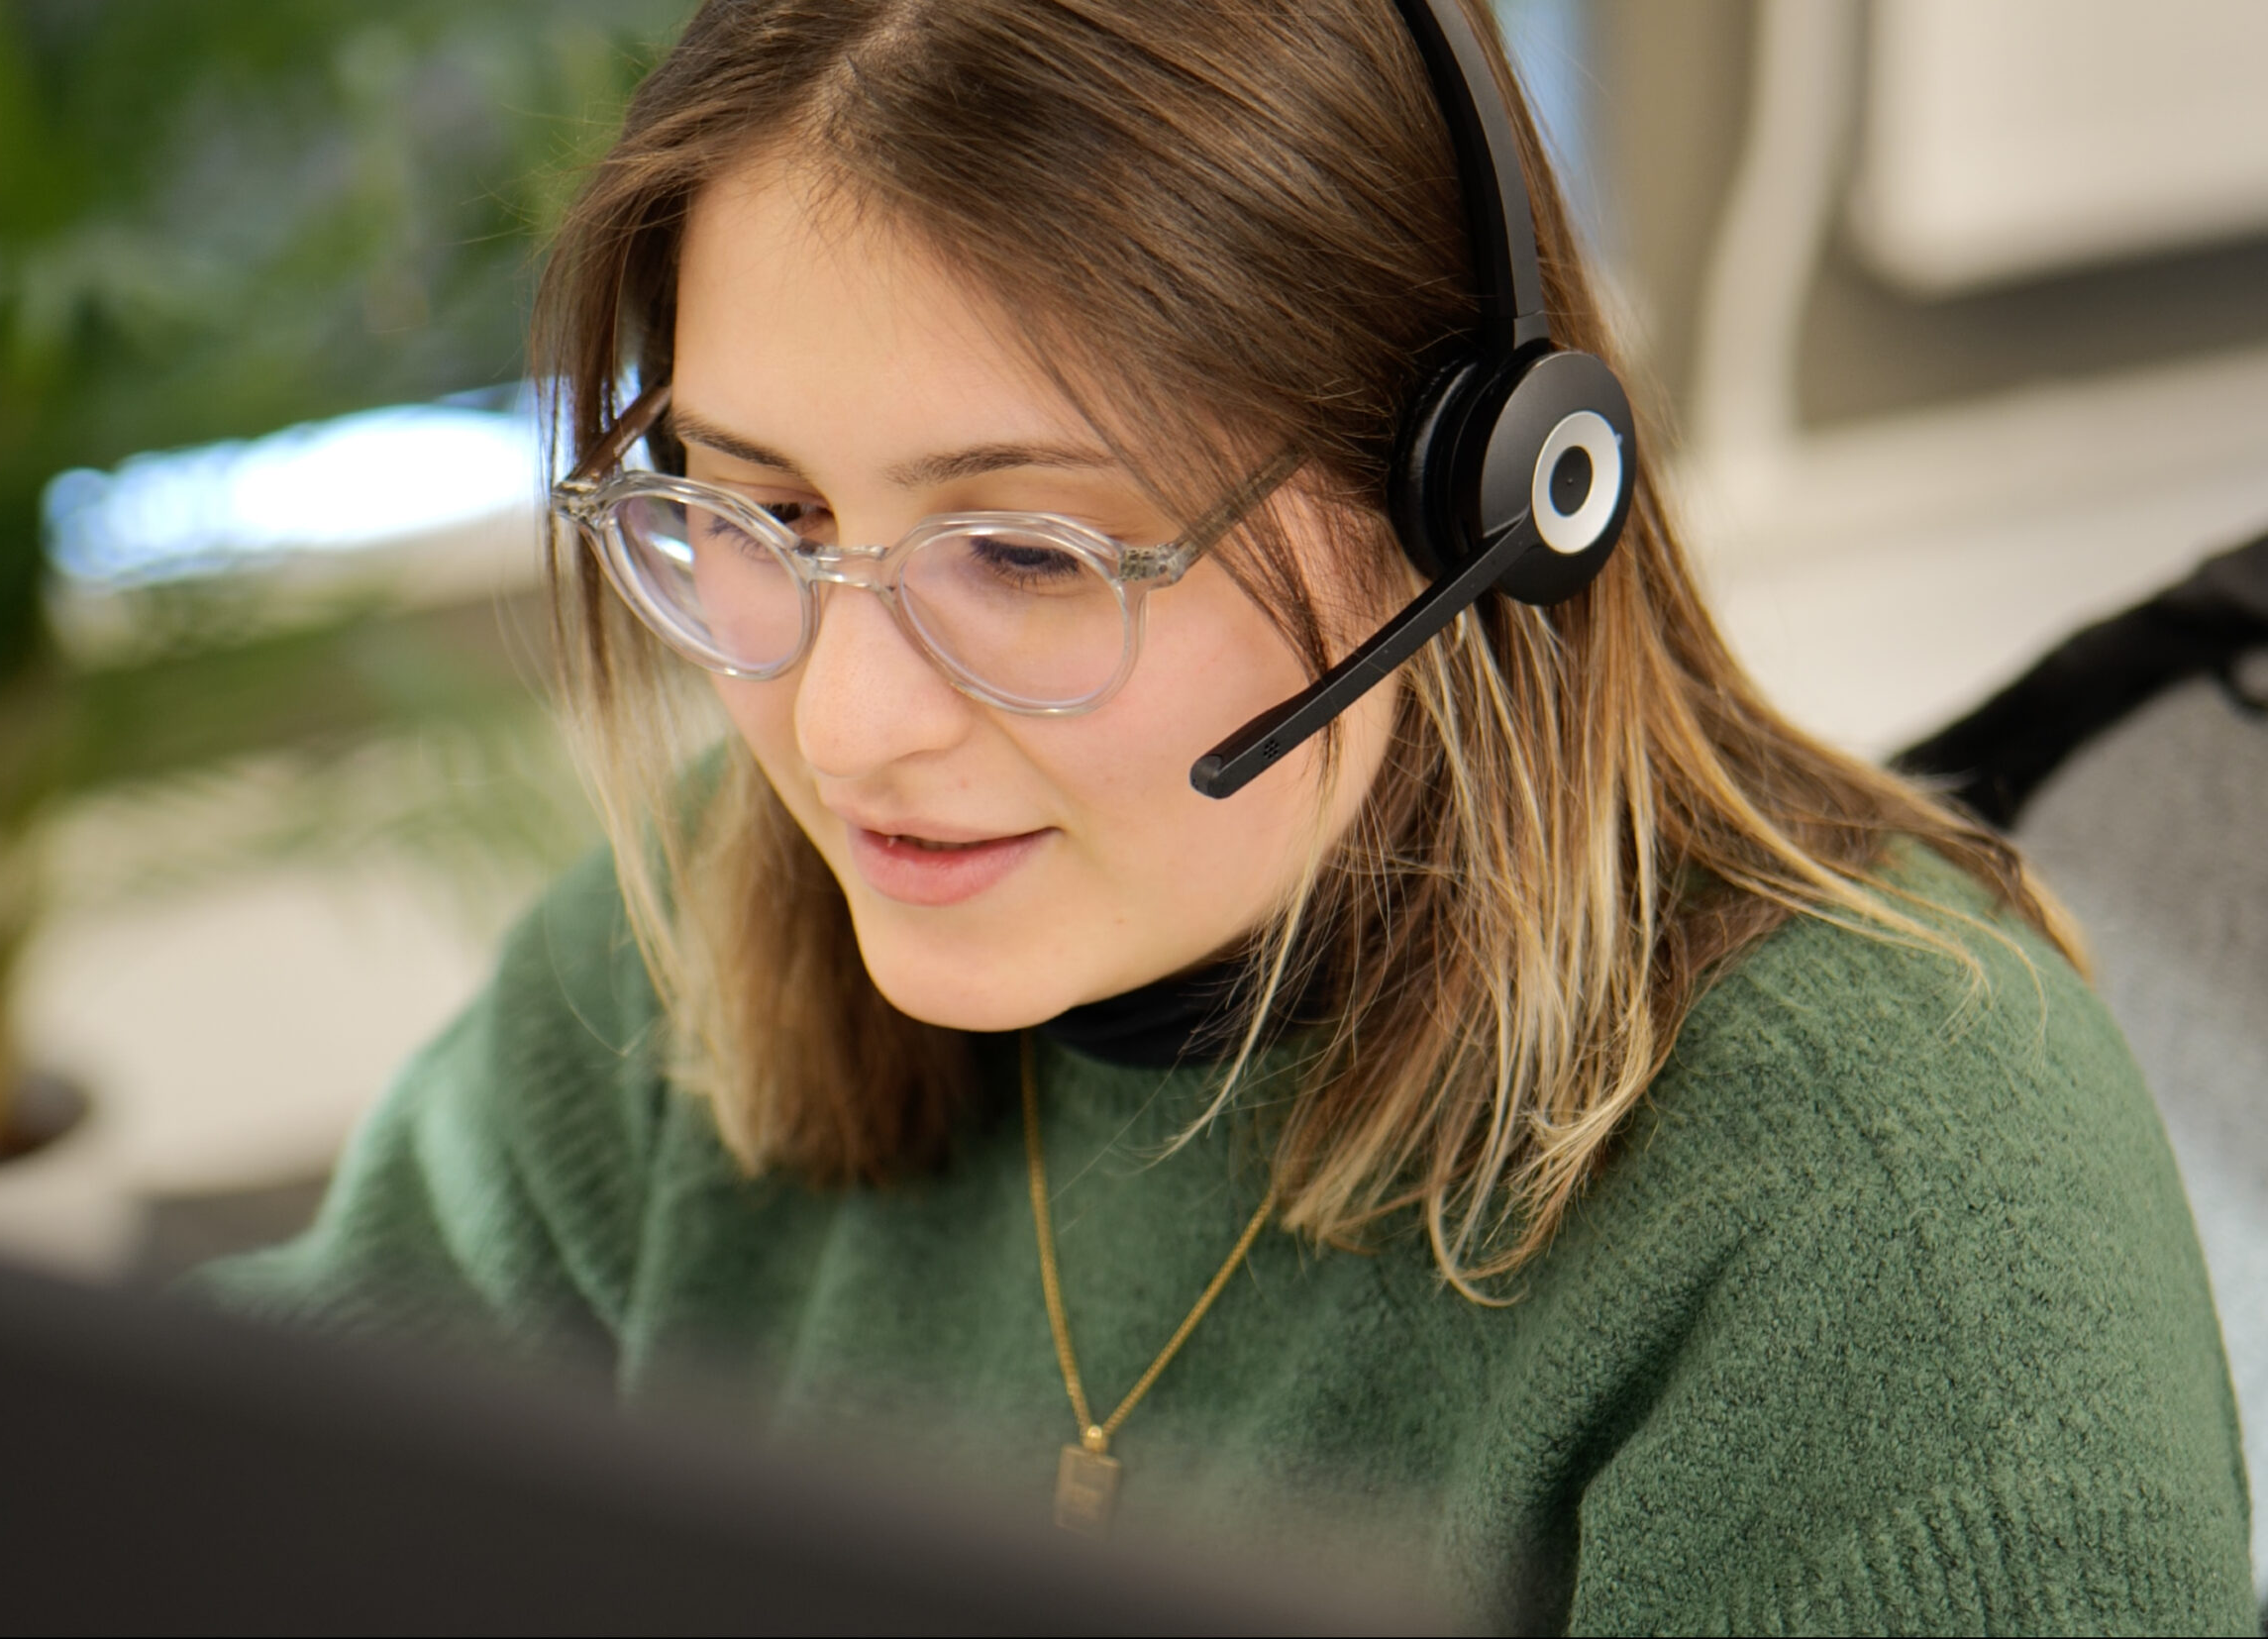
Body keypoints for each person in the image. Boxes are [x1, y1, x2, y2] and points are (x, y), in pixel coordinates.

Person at [200, 1, 2257, 1627]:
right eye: (759, 512)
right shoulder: (687, 955)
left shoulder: (1885, 1217)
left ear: (1476, 513)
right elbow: (173, 1508)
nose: (840, 729)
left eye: (1016, 551)